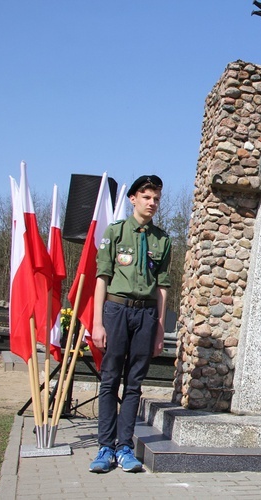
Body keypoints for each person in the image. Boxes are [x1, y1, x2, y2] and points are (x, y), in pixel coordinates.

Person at [88, 175, 172, 473]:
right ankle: (104, 446)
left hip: (146, 314)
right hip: (116, 310)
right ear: (133, 198)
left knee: (134, 383)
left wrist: (160, 327)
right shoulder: (116, 232)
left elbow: (162, 286)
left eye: (156, 199)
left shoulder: (162, 239)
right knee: (110, 379)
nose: (152, 203)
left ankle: (125, 447)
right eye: (147, 197)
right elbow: (102, 278)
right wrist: (97, 323)